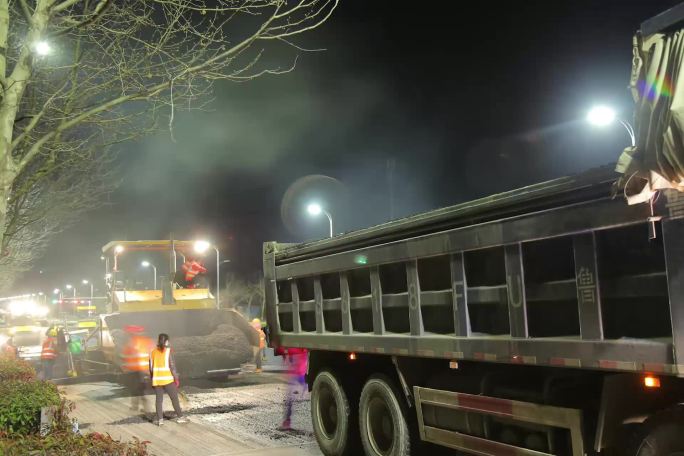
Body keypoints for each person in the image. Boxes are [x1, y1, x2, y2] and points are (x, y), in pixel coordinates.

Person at [149, 333, 187, 425]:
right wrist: (176, 379)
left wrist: (152, 380)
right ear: (166, 341)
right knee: (174, 399)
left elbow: (150, 368)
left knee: (159, 401)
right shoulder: (168, 351)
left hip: (157, 380)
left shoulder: (152, 352)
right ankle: (181, 417)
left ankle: (160, 420)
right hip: (168, 380)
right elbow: (172, 367)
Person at [120, 325, 154, 414]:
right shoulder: (148, 342)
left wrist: (124, 367)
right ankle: (145, 408)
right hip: (144, 370)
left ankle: (139, 407)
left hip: (133, 370)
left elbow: (124, 357)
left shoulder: (130, 343)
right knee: (142, 388)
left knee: (136, 388)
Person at [278, 346, 308, 430]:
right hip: (302, 373)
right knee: (290, 399)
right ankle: (287, 422)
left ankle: (287, 422)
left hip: (295, 374)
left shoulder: (289, 347)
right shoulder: (301, 346)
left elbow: (281, 351)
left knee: (289, 400)